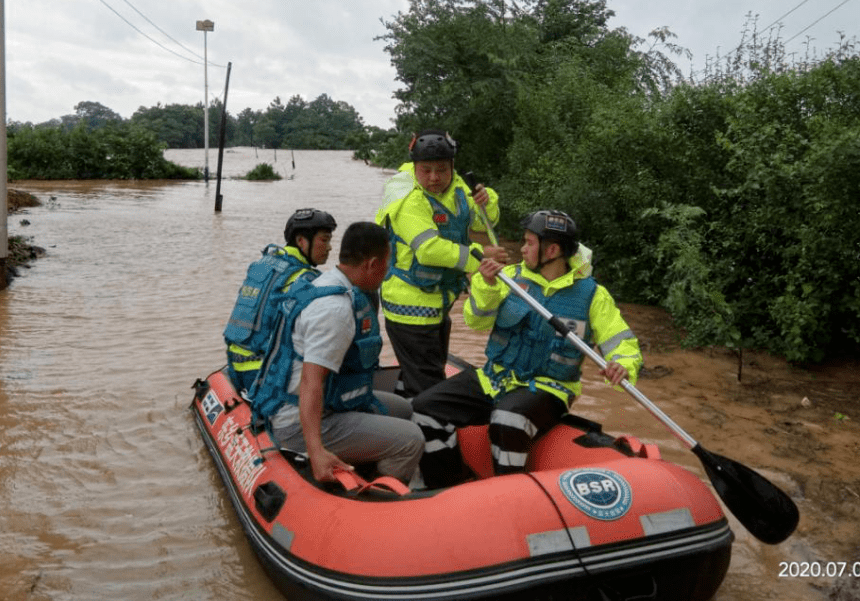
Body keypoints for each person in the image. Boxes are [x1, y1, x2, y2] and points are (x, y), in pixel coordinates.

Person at [410, 210, 643, 489]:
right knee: (424, 409)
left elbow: (621, 342)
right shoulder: (508, 278)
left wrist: (622, 364)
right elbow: (476, 322)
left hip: (550, 387)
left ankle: (510, 493)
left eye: (529, 243)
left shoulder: (593, 295)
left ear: (552, 250)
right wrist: (486, 286)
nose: (521, 248)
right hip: (494, 378)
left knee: (509, 419)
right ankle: (445, 484)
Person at [250, 221, 424, 485]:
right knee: (412, 439)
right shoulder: (335, 310)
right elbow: (311, 383)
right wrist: (316, 451)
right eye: (388, 263)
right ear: (372, 263)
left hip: (321, 402)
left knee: (401, 408)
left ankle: (366, 460)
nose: (388, 271)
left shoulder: (328, 281)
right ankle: (377, 499)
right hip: (297, 422)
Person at [375, 129, 507, 397]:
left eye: (441, 170)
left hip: (439, 303)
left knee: (429, 370)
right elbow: (428, 250)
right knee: (429, 384)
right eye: (426, 170)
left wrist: (487, 200)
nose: (434, 178)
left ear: (452, 167)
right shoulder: (407, 197)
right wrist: (481, 256)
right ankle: (430, 432)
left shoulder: (458, 187)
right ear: (415, 168)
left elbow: (484, 222)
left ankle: (409, 406)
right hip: (409, 305)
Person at [224, 209, 337, 393]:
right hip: (264, 375)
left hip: (235, 366)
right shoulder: (306, 280)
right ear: (302, 241)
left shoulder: (261, 264)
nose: (330, 247)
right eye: (324, 240)